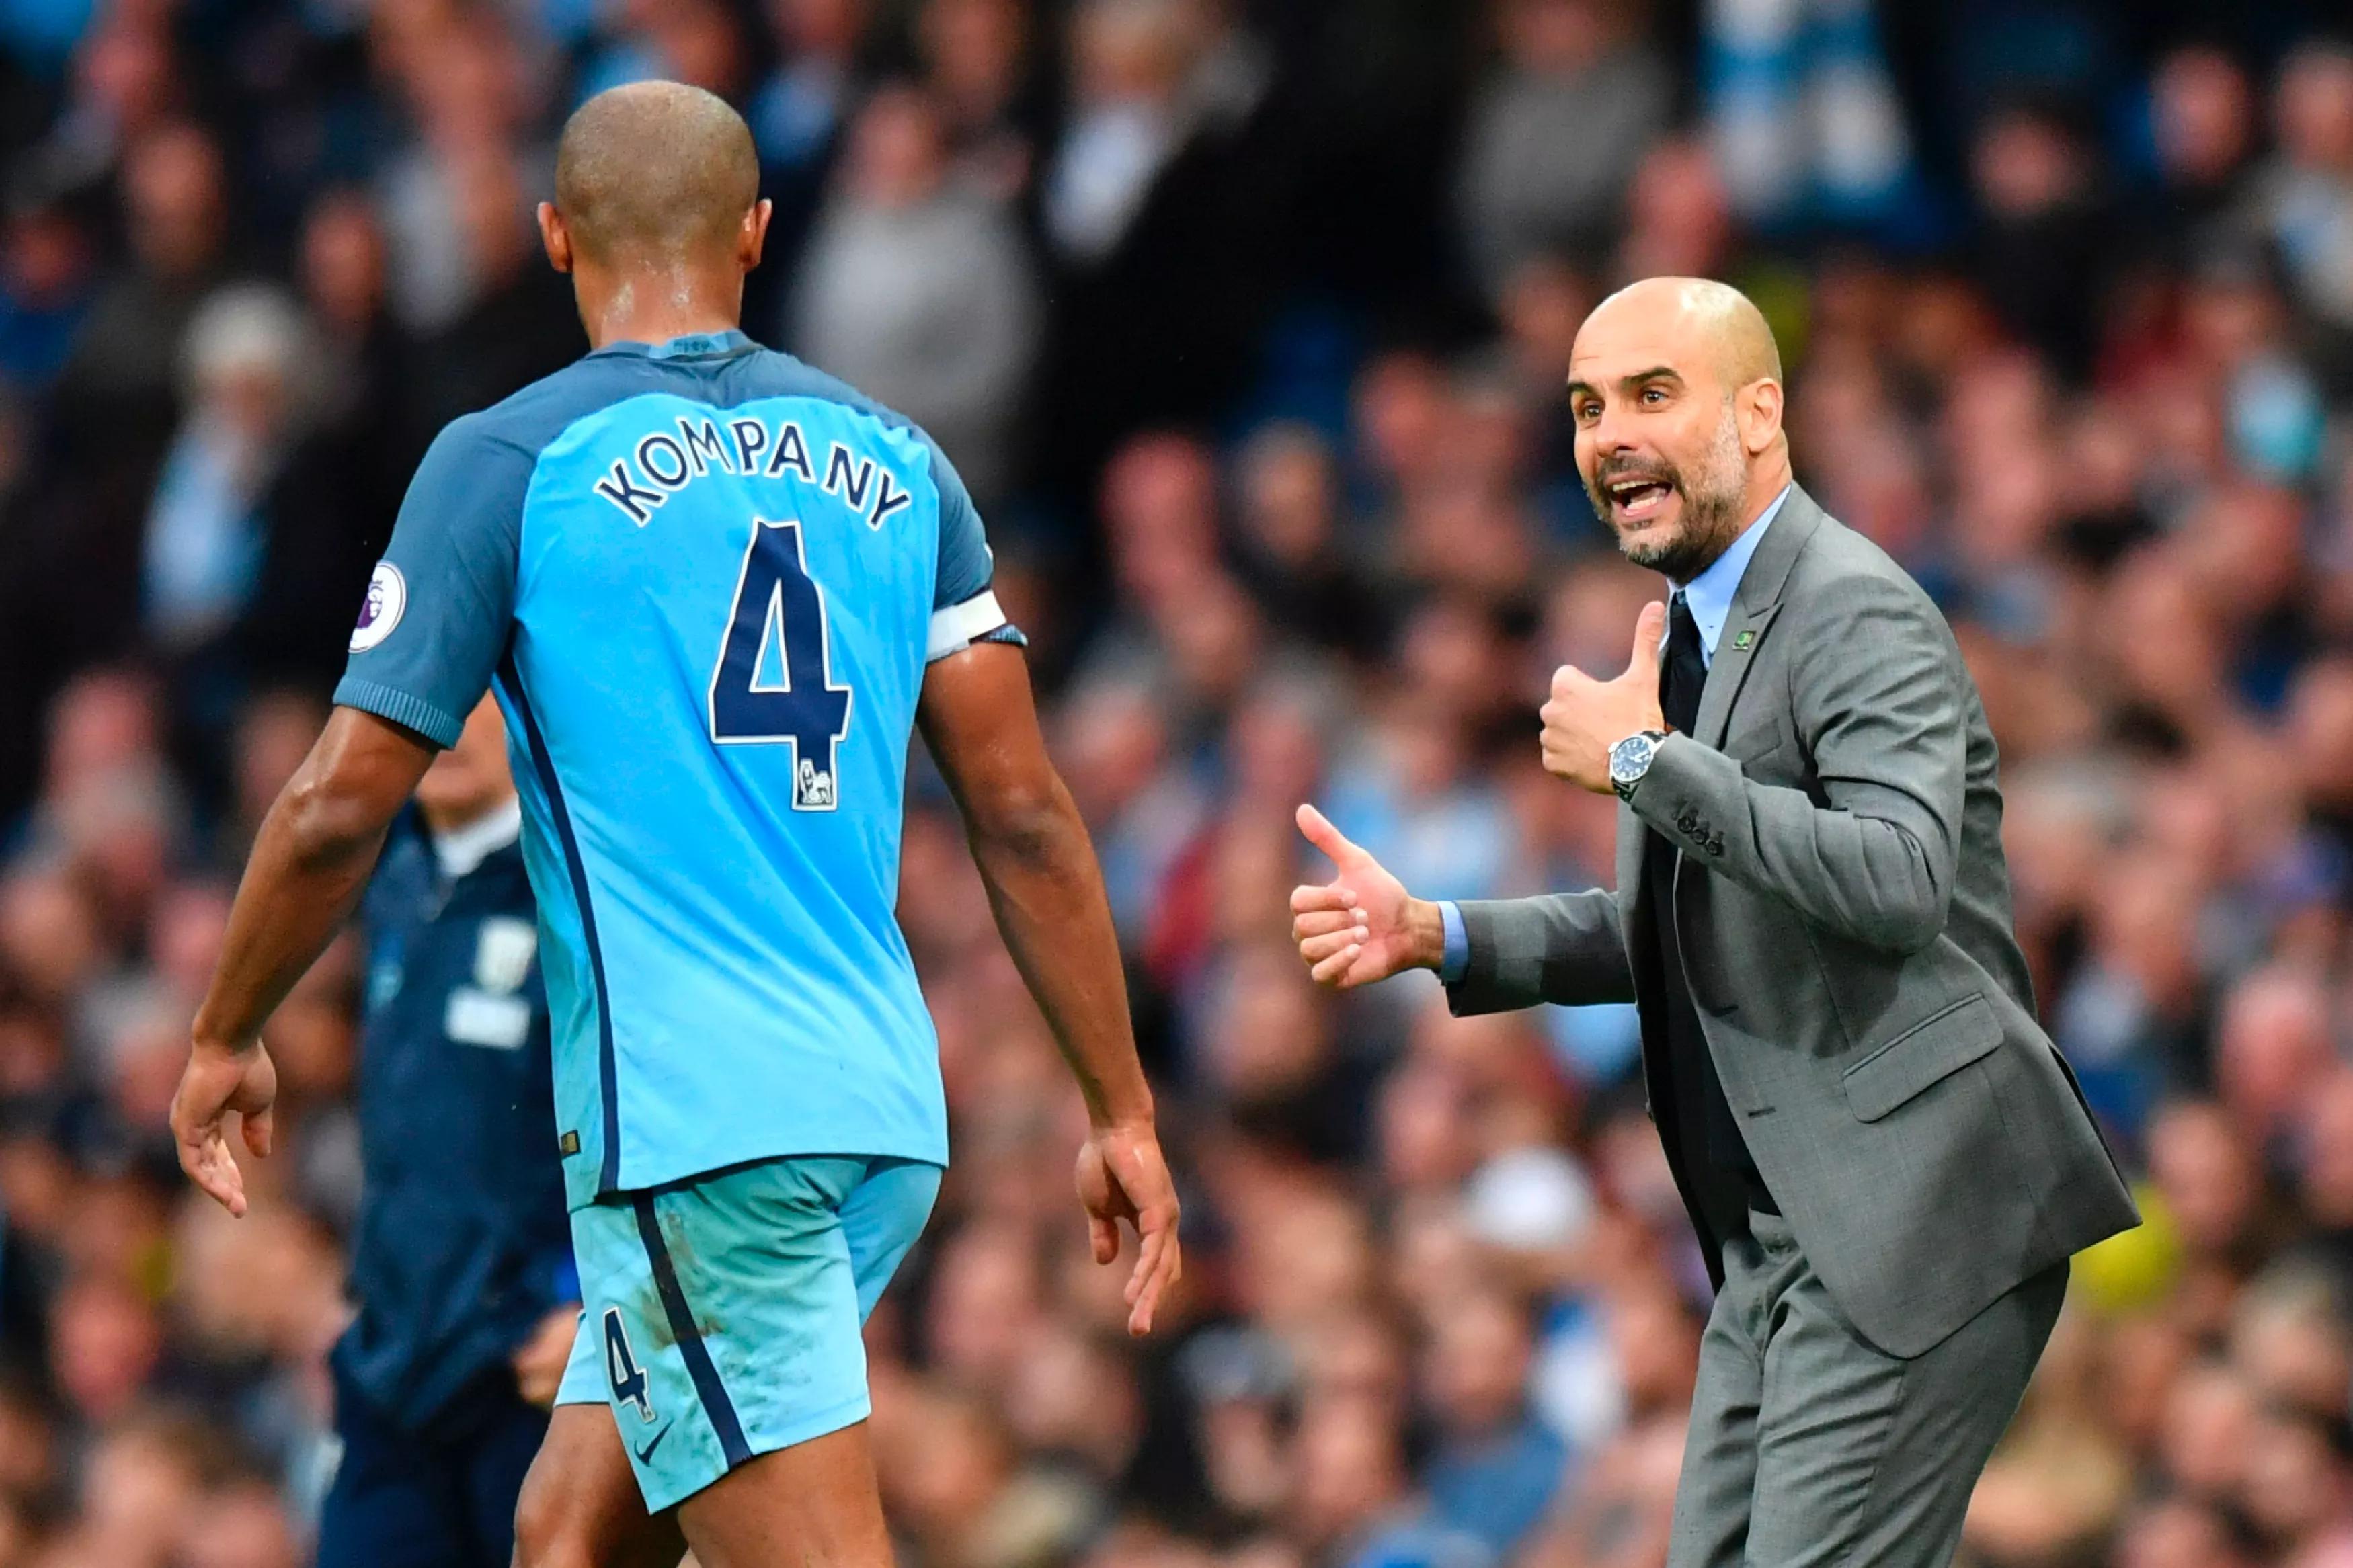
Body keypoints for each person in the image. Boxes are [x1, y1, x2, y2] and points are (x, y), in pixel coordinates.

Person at [167, 79, 1180, 1568]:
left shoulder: (509, 461)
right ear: (757, 233)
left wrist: (225, 1029)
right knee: (568, 1541)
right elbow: (1023, 815)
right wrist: (1120, 1108)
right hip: (880, 1112)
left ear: (553, 236)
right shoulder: (905, 462)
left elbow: (333, 808)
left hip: (701, 1135)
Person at [1287, 276, 2137, 1568]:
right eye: (1587, 407)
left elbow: (1903, 877)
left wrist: (1645, 763)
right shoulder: (1695, 628)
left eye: (1651, 394)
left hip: (1911, 1217)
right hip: (1777, 1241)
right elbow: (1688, 928)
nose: (1610, 435)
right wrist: (1437, 931)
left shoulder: (1851, 605)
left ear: (1759, 413)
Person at [315, 696, 576, 1568]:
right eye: (436, 692)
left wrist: (599, 1305)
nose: (451, 722)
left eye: (478, 695)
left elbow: (647, 1111)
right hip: (394, 1369)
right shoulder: (391, 878)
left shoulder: (579, 888)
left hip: (530, 1368)